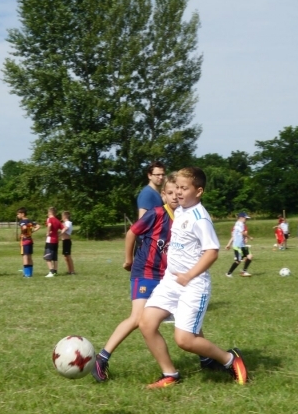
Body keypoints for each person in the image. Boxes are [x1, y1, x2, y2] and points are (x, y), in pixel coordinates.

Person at [138, 167, 248, 389]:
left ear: (198, 191)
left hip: (193, 285)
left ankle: (229, 360)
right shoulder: (180, 210)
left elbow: (212, 252)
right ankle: (169, 374)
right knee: (146, 323)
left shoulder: (200, 218)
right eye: (177, 187)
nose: (178, 192)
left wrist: (189, 275)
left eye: (184, 188)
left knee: (185, 340)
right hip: (170, 281)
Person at [92, 176, 179, 382]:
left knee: (186, 313)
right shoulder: (156, 214)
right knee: (138, 318)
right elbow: (132, 233)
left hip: (167, 277)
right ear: (163, 196)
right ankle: (102, 358)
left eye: (179, 191)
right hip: (146, 272)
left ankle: (206, 358)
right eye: (171, 192)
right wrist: (128, 259)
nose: (176, 195)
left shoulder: (185, 219)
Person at [225, 212, 253, 277]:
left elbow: (234, 236)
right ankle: (229, 273)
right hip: (237, 246)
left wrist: (228, 244)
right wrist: (249, 237)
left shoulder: (239, 224)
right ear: (241, 218)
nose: (246, 220)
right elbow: (242, 233)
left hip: (242, 245)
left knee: (250, 256)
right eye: (246, 219)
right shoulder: (239, 224)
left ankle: (244, 272)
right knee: (238, 261)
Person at [17, 208, 40, 277]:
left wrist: (24, 231)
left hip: (24, 241)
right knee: (29, 256)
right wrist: (31, 231)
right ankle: (30, 273)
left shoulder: (22, 221)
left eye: (18, 214)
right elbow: (38, 226)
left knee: (25, 256)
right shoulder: (30, 221)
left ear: (22, 214)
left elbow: (24, 227)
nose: (17, 216)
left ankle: (26, 274)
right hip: (30, 240)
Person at [43, 207, 64, 277]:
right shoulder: (58, 221)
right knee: (55, 257)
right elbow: (64, 228)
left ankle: (51, 272)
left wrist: (48, 233)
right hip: (56, 240)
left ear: (49, 212)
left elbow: (49, 225)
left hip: (50, 240)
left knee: (47, 256)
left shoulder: (49, 219)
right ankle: (55, 271)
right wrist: (59, 234)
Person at [61, 211, 75, 275]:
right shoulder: (65, 223)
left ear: (65, 216)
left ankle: (72, 271)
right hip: (64, 241)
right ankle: (69, 270)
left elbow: (66, 228)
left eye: (62, 216)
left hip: (67, 241)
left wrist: (60, 233)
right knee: (66, 257)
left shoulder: (68, 223)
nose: (62, 217)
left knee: (68, 256)